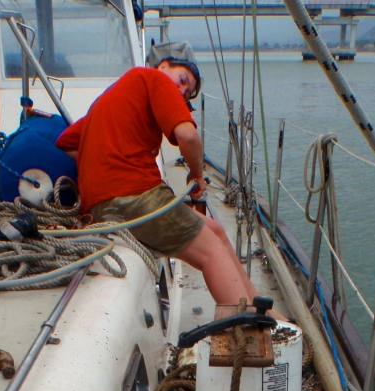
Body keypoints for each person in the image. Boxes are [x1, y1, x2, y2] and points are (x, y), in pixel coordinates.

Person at [55, 43, 256, 307]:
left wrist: (103, 163)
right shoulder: (154, 78)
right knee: (212, 252)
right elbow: (188, 137)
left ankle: (259, 307)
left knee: (216, 231)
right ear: (163, 66)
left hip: (98, 209)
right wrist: (196, 175)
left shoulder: (114, 96)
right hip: (137, 196)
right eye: (182, 80)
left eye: (187, 92)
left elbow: (66, 142)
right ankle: (246, 325)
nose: (181, 91)